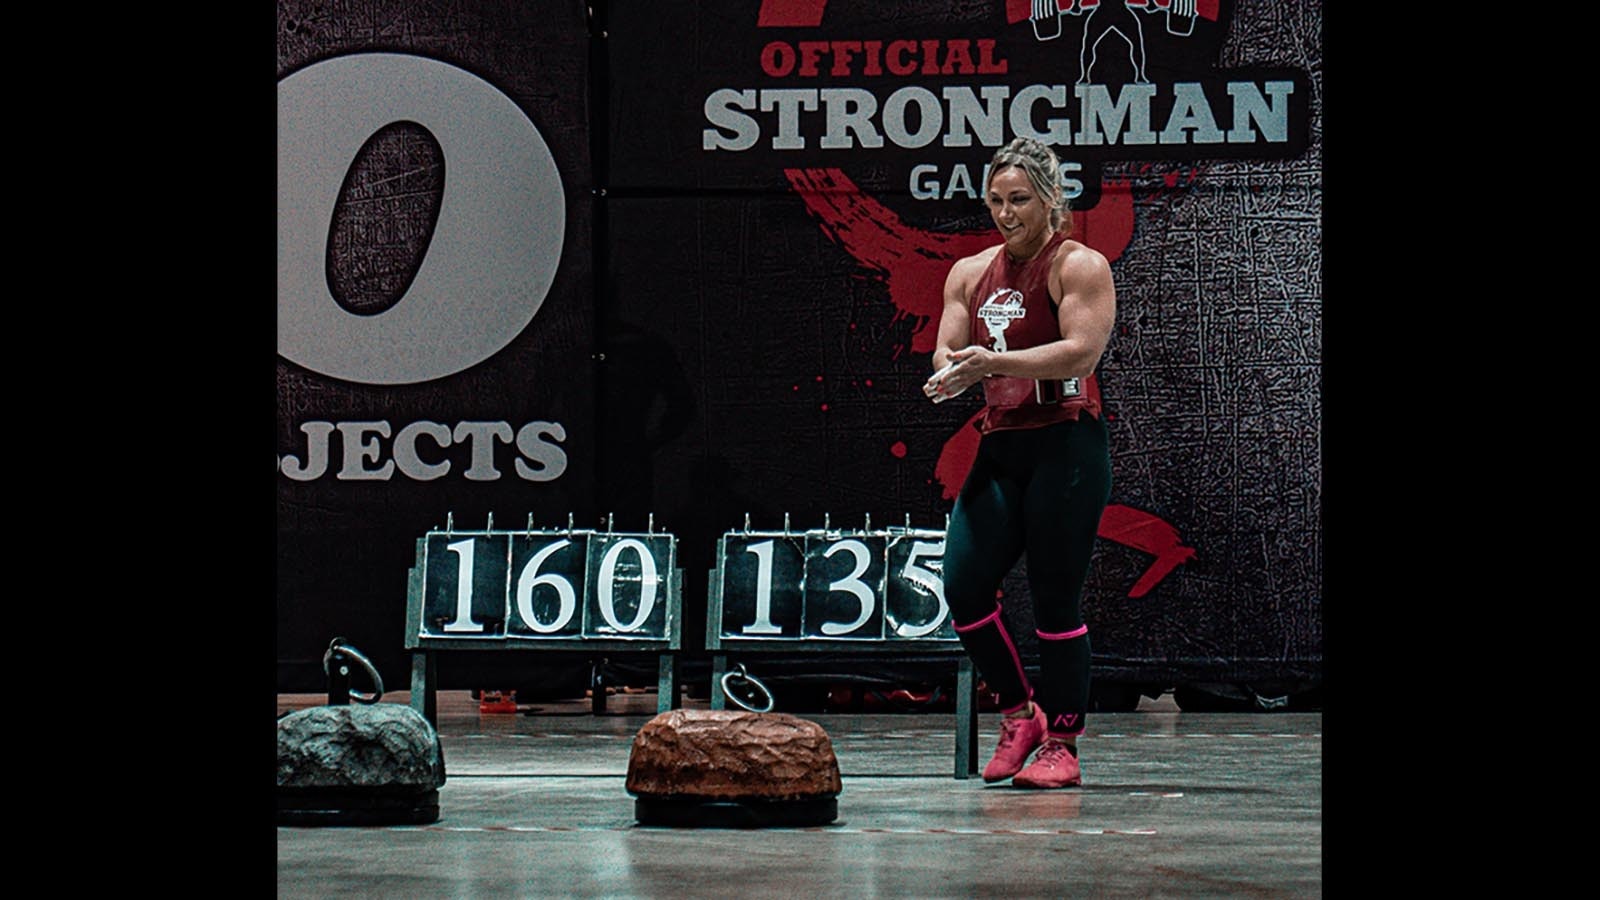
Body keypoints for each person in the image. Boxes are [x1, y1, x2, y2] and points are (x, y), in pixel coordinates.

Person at [923, 136, 1115, 789]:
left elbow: (1079, 353)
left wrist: (992, 362)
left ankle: (1062, 743)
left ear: (1050, 200)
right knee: (964, 584)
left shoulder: (1079, 266)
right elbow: (948, 351)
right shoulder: (969, 273)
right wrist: (947, 376)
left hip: (1066, 442)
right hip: (1004, 442)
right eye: (997, 201)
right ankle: (1019, 712)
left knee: (1055, 596)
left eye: (1021, 200)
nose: (1007, 214)